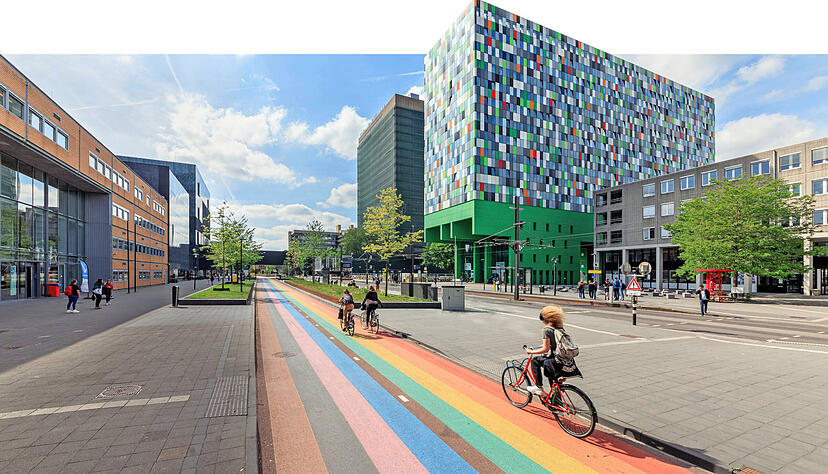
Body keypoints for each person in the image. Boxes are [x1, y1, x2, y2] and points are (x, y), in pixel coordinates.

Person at [524, 305, 581, 395]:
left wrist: (531, 351)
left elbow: (545, 349)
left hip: (554, 360)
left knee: (535, 361)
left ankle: (538, 387)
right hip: (564, 360)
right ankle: (557, 404)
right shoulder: (559, 328)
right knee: (554, 384)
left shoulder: (546, 330)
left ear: (544, 318)